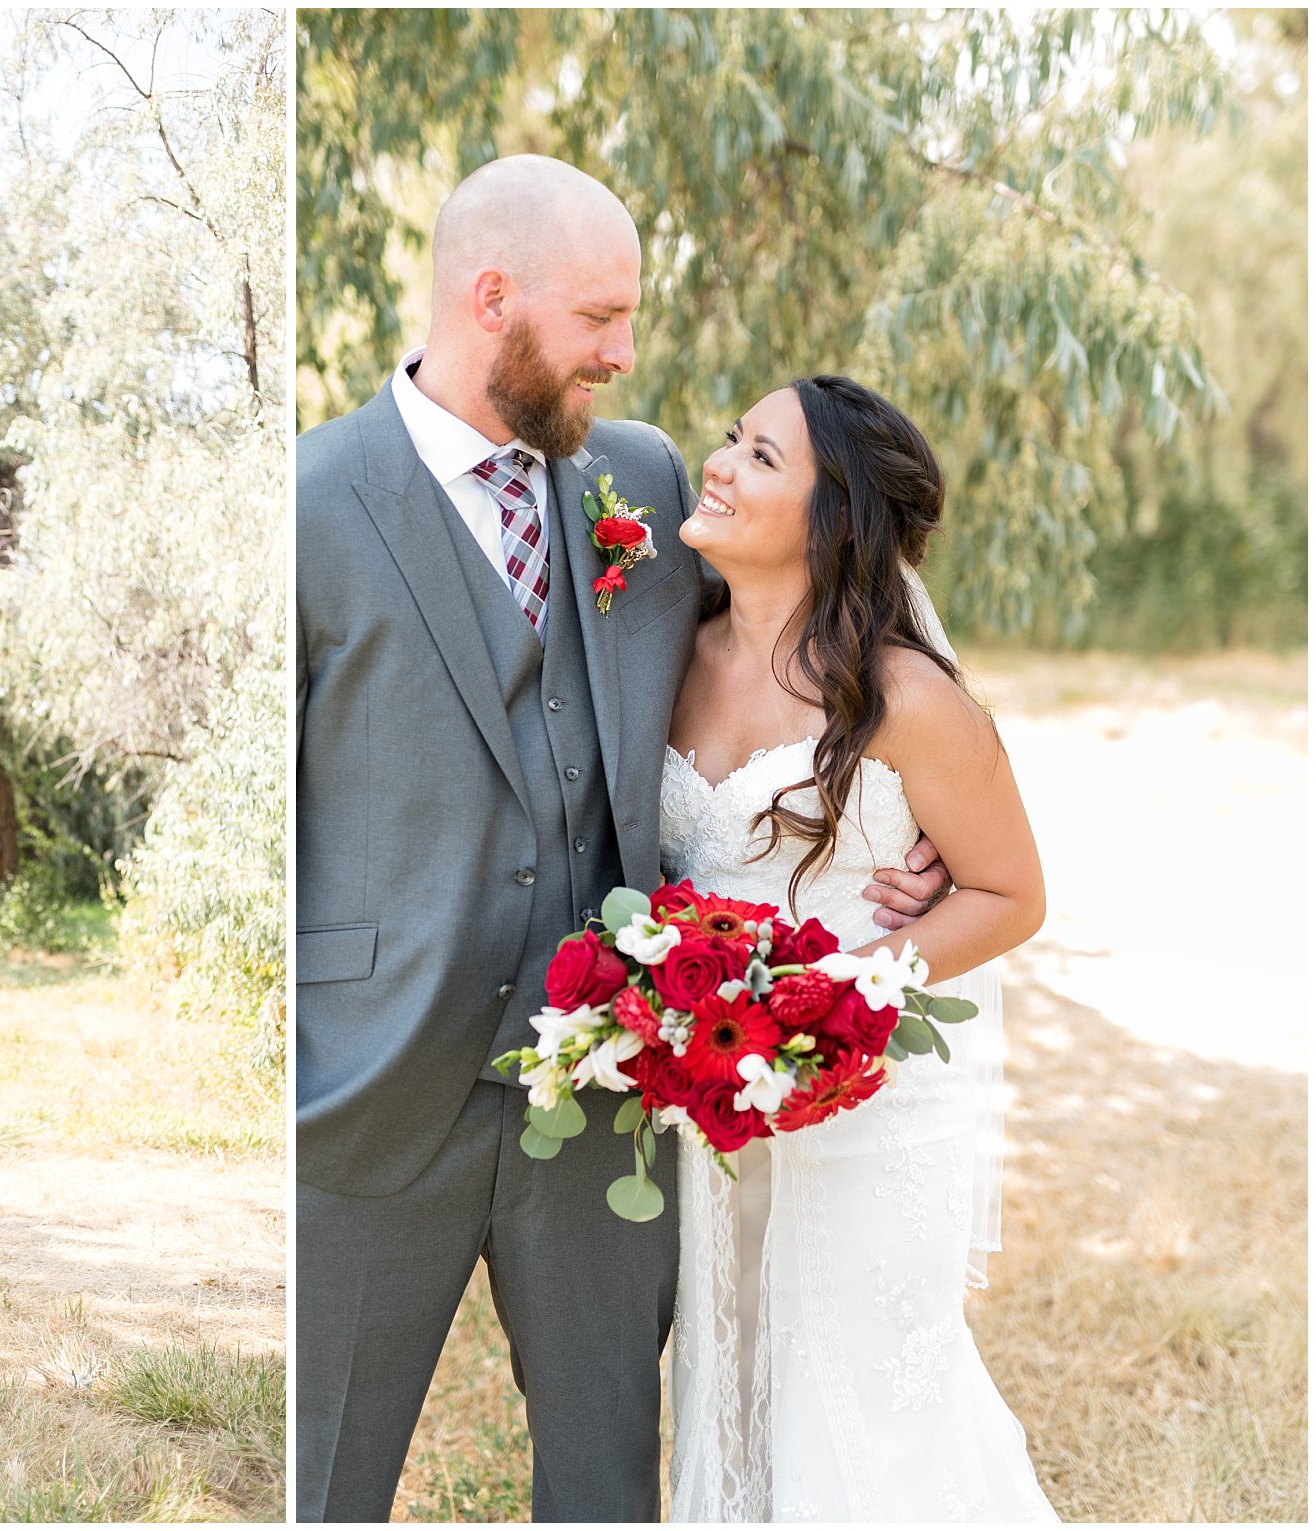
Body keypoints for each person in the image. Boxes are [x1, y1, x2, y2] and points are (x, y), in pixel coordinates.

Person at [293, 155, 947, 1521]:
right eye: (599, 318)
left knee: (605, 1481)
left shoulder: (637, 473)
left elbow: (812, 605)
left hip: (603, 1094)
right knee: (327, 1473)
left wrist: (907, 802)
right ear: (493, 299)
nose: (626, 351)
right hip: (365, 1085)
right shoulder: (307, 502)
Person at [662, 375, 1055, 1520]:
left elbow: (1009, 892)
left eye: (760, 458)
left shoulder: (900, 697)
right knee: (737, 1389)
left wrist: (841, 994)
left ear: (832, 520)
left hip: (868, 1093)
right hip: (712, 1099)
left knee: (865, 1412)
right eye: (730, 438)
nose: (719, 464)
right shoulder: (664, 654)